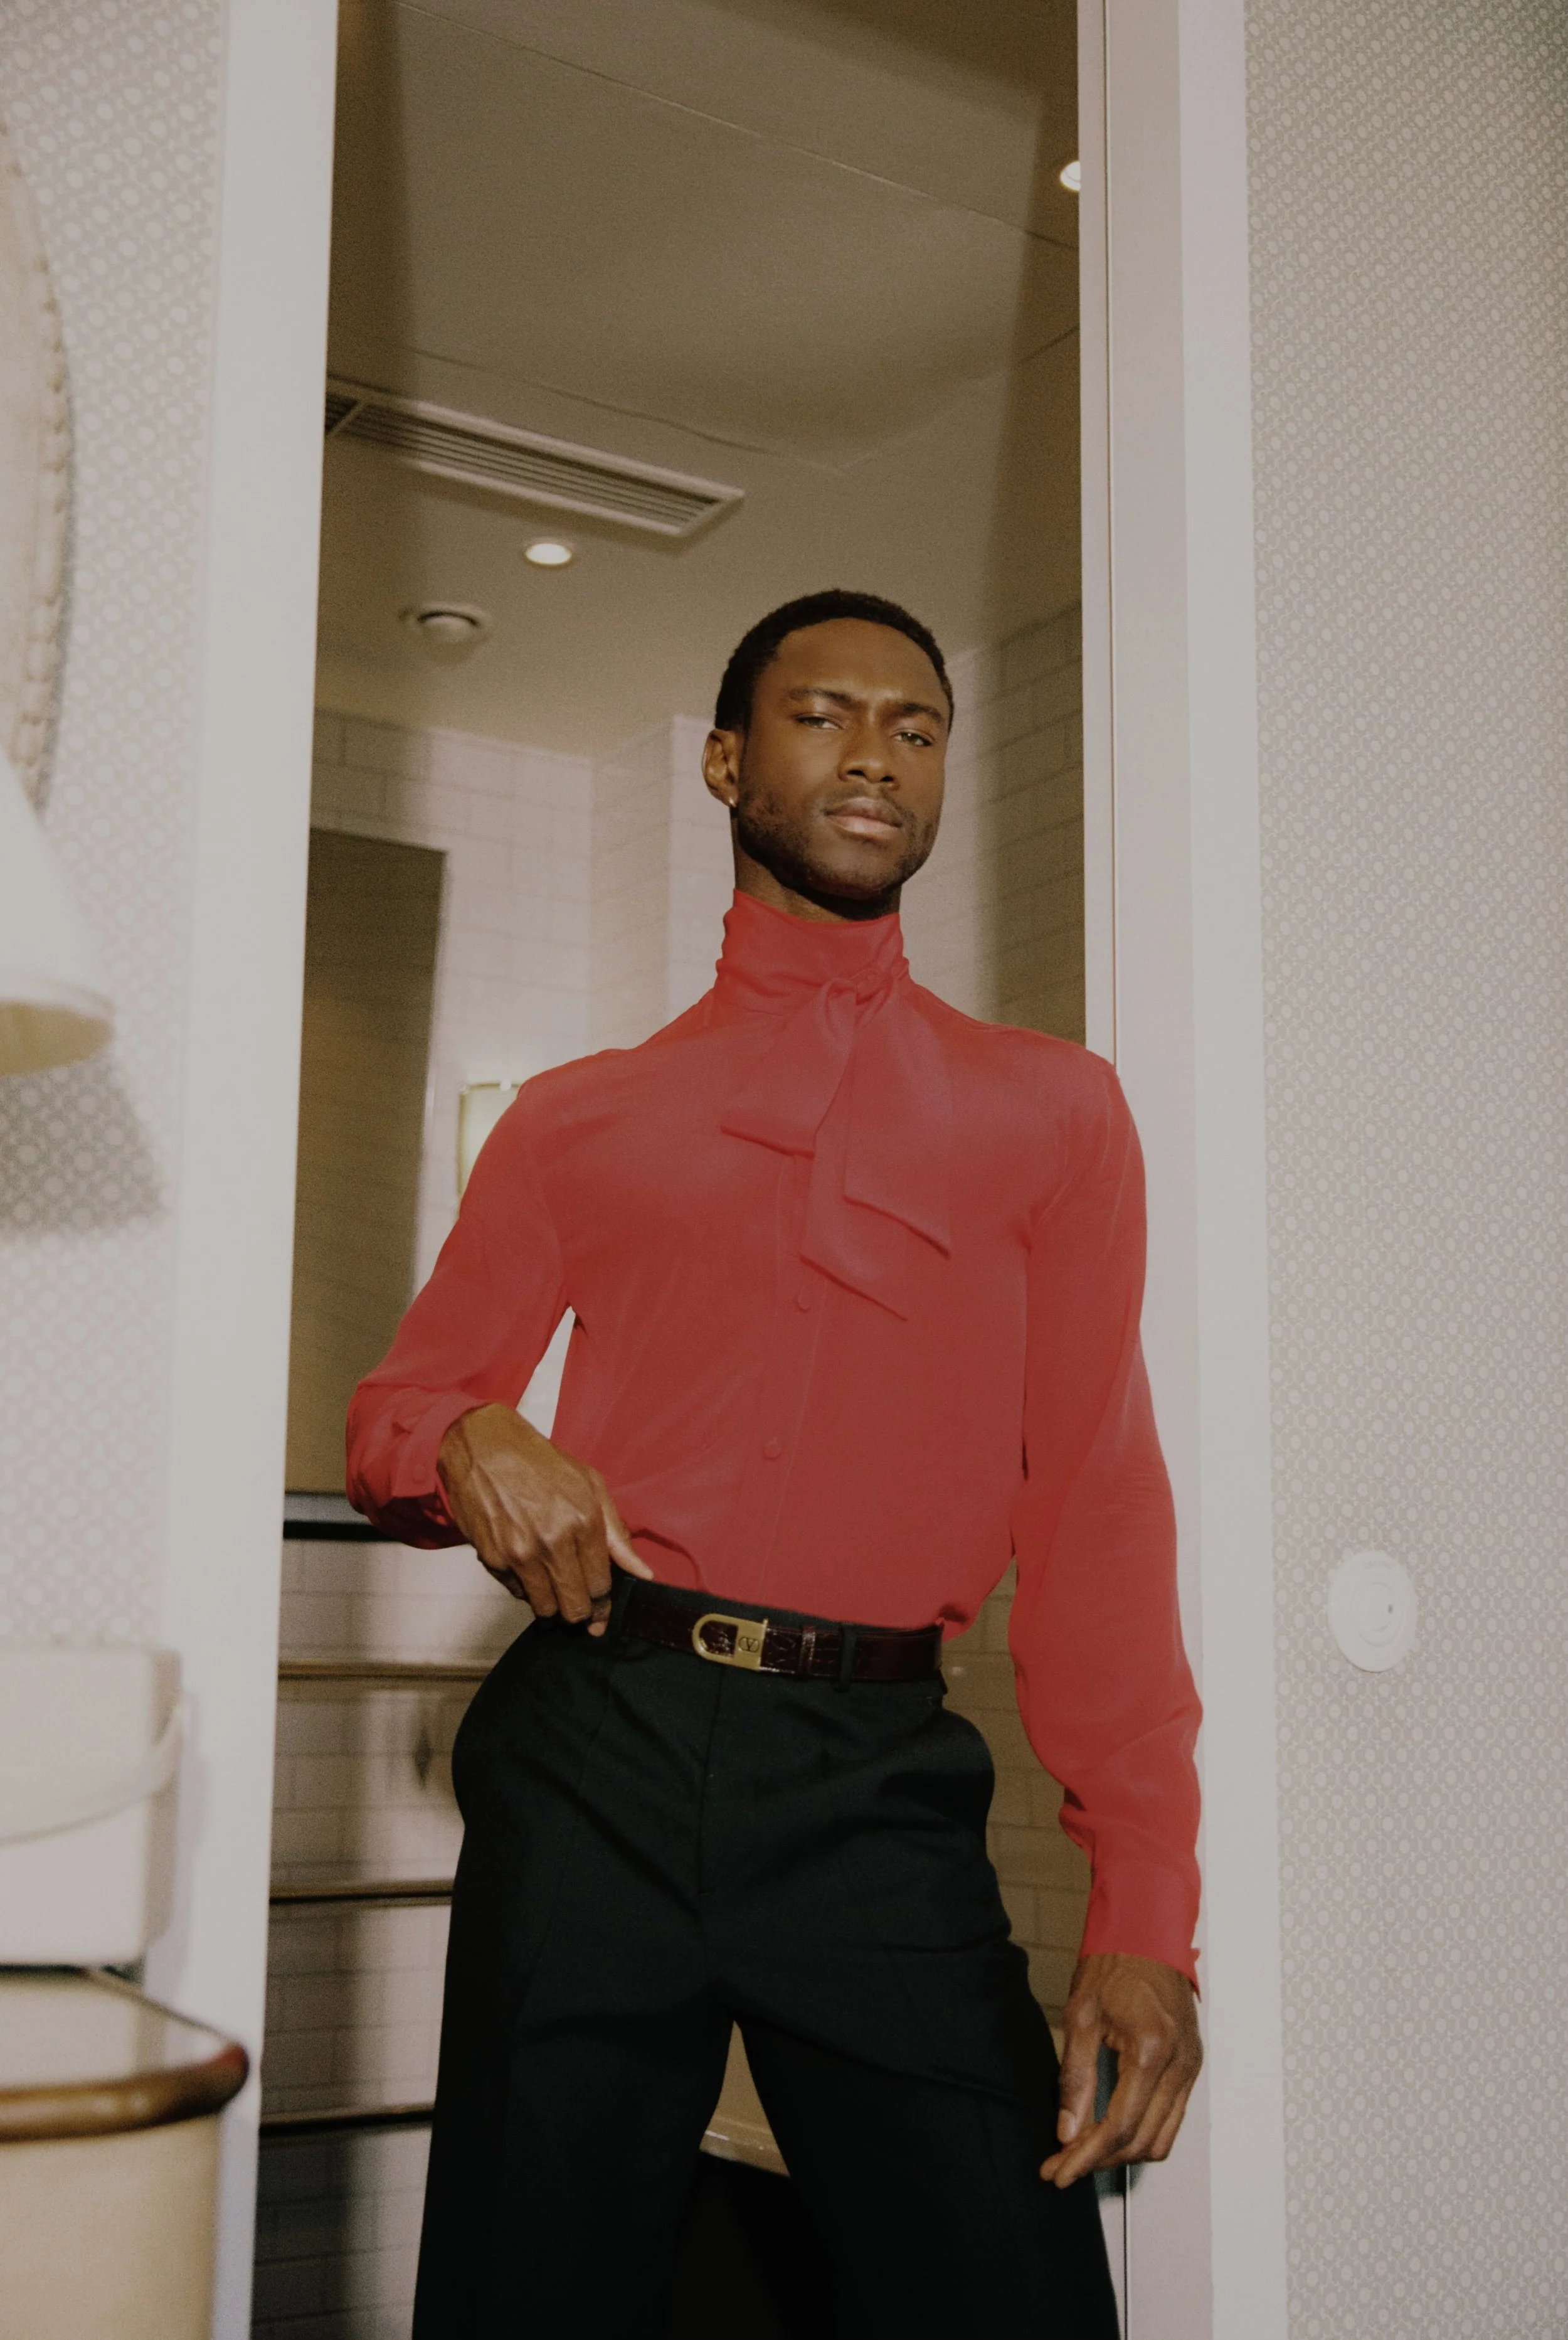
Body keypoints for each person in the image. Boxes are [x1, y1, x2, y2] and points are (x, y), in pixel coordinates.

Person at [347, 588, 1203, 2338]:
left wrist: (1145, 1909)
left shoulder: (1056, 1112)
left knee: (1011, 2291)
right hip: (598, 1747)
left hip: (873, 1776)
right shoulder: (572, 1117)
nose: (875, 754)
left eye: (914, 725)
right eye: (823, 716)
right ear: (728, 765)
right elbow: (394, 1419)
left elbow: (1098, 1509)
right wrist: (476, 1434)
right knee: (527, 2295)